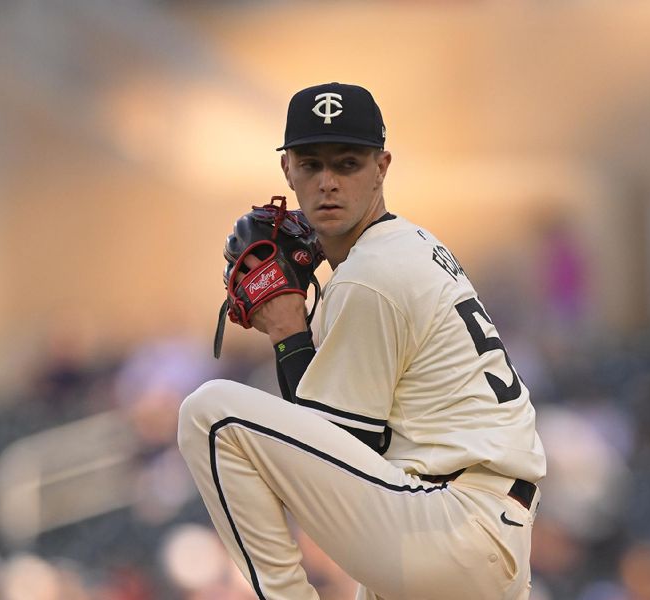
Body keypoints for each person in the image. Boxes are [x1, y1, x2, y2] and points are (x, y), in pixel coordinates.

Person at [178, 82, 546, 600]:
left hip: (448, 521)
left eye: (347, 164)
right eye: (311, 165)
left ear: (381, 167)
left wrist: (287, 330)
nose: (328, 182)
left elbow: (335, 457)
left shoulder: (370, 274)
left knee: (211, 414)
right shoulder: (405, 246)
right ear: (288, 170)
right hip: (471, 534)